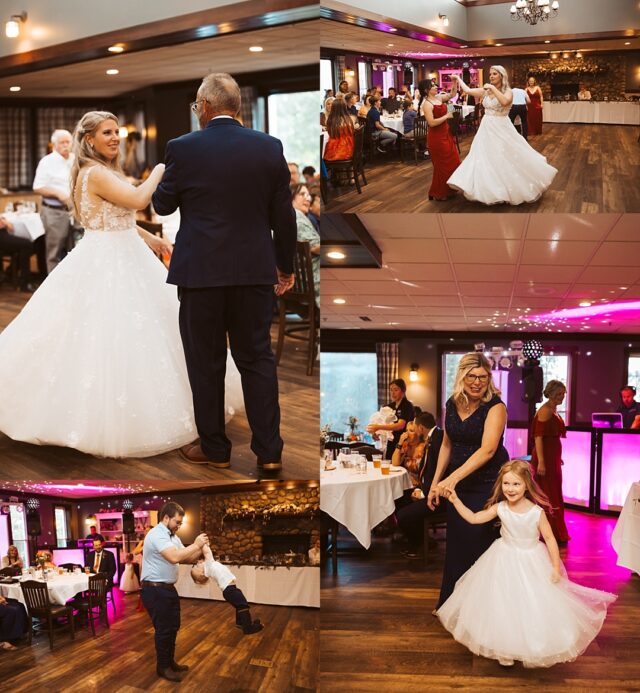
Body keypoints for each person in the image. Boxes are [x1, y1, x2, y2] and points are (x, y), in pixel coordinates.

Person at [0, 110, 245, 459]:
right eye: (107, 133)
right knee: (106, 336)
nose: (115, 137)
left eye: (117, 132)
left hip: (119, 250)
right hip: (107, 262)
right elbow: (138, 201)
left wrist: (151, 239)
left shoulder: (97, 173)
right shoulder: (95, 173)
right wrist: (161, 170)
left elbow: (117, 218)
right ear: (89, 140)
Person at [152, 73, 296, 472]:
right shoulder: (269, 148)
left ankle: (215, 449)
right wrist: (285, 267)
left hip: (200, 275)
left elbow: (162, 207)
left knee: (206, 362)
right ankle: (269, 454)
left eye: (197, 106)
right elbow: (282, 217)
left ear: (205, 106)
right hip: (253, 272)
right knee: (257, 360)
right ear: (238, 107)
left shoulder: (182, 148)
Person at [437, 461, 616, 668]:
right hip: (502, 558)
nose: (510, 489)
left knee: (530, 603)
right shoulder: (501, 507)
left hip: (531, 560)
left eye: (516, 484)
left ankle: (526, 644)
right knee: (503, 603)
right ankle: (504, 646)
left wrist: (556, 568)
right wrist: (456, 500)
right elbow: (475, 518)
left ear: (526, 486)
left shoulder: (536, 512)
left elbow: (549, 539)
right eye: (506, 484)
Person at [428, 352, 509, 609]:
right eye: (471, 376)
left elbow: (487, 450)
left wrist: (450, 479)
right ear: (461, 376)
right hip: (458, 486)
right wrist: (435, 482)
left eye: (483, 377)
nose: (477, 382)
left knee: (478, 544)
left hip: (486, 484)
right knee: (457, 544)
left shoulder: (496, 407)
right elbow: (446, 445)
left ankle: (480, 608)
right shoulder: (451, 404)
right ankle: (452, 603)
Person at [447, 67, 557, 205]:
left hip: (501, 126)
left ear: (501, 76)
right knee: (484, 156)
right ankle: (489, 189)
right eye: (490, 74)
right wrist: (457, 80)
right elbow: (468, 91)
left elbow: (505, 102)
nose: (491, 76)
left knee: (505, 155)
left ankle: (509, 188)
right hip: (486, 127)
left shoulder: (508, 91)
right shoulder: (486, 91)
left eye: (494, 74)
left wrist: (492, 89)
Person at [141, 501, 210, 682]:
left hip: (168, 589)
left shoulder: (172, 536)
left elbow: (185, 557)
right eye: (177, 522)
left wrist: (202, 550)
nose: (179, 526)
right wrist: (195, 545)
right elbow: (174, 557)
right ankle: (162, 667)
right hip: (155, 590)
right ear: (166, 518)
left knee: (173, 627)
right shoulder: (156, 534)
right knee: (164, 629)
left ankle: (170, 662)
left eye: (180, 523)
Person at [396, 412, 445, 559]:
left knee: (403, 515)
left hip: (438, 495)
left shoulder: (438, 439)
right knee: (400, 499)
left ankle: (420, 544)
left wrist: (424, 492)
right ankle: (417, 539)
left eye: (415, 427)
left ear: (421, 427)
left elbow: (440, 471)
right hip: (427, 488)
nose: (414, 430)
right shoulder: (433, 437)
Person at [190, 543, 263, 634]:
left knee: (239, 605)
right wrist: (203, 543)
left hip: (229, 590)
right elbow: (207, 552)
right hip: (230, 590)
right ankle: (248, 628)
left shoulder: (209, 566)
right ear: (202, 573)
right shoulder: (208, 565)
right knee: (243, 605)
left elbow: (207, 554)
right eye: (196, 567)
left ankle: (240, 623)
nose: (197, 563)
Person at [530, 380, 570, 543]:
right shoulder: (545, 410)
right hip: (544, 457)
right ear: (552, 394)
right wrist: (541, 462)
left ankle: (556, 531)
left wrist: (556, 457)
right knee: (547, 494)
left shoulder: (553, 409)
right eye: (559, 394)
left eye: (563, 394)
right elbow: (538, 437)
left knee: (554, 493)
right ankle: (548, 532)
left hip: (551, 456)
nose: (562, 397)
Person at [32, 129, 74, 274]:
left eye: (68, 142)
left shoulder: (75, 159)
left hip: (74, 212)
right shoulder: (47, 162)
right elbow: (37, 187)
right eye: (62, 142)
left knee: (75, 251)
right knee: (54, 253)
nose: (65, 145)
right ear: (54, 144)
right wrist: (58, 194)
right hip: (54, 212)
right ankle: (54, 291)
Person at [420, 79, 460, 201]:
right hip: (436, 138)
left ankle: (449, 189)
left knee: (453, 160)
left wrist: (454, 82)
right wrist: (446, 116)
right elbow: (431, 123)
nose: (435, 87)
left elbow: (452, 95)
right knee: (442, 165)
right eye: (432, 86)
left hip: (446, 134)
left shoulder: (438, 98)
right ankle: (439, 192)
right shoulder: (426, 104)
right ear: (427, 90)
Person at [366, 378, 415, 458]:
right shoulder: (388, 407)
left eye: (396, 390)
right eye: (391, 390)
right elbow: (381, 422)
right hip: (390, 443)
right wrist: (376, 434)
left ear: (403, 391)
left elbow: (400, 425)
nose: (392, 393)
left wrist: (378, 427)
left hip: (403, 443)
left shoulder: (407, 405)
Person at [291, 183, 320, 308]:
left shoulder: (291, 216)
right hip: (308, 281)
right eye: (302, 194)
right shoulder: (298, 219)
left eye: (308, 195)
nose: (308, 198)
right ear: (291, 197)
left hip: (298, 282)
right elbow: (314, 248)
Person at [0, 217, 39, 293]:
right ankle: (24, 284)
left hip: (3, 232)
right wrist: (4, 223)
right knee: (27, 244)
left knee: (32, 243)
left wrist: (4, 222)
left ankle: (11, 273)